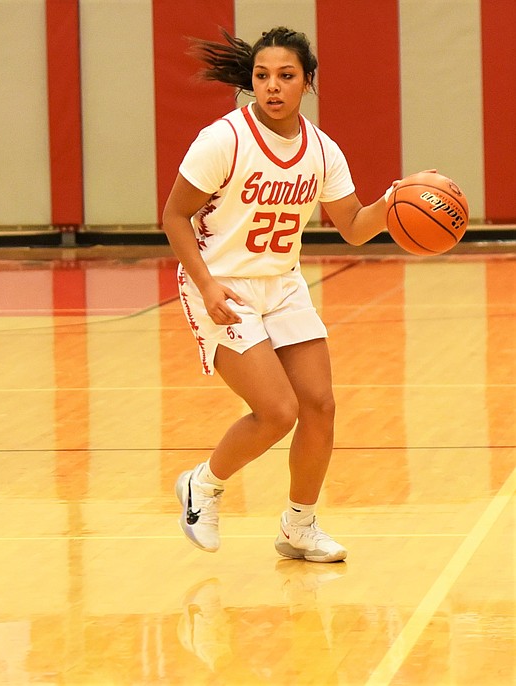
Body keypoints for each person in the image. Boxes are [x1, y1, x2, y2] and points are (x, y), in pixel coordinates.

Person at [163, 27, 401, 563]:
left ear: (307, 83)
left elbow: (355, 227)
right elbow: (173, 215)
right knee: (276, 410)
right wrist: (206, 284)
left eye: (286, 76)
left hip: (283, 282)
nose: (272, 87)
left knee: (319, 406)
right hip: (221, 282)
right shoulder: (224, 139)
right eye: (262, 76)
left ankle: (299, 525)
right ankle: (202, 484)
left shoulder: (321, 150)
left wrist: (395, 199)